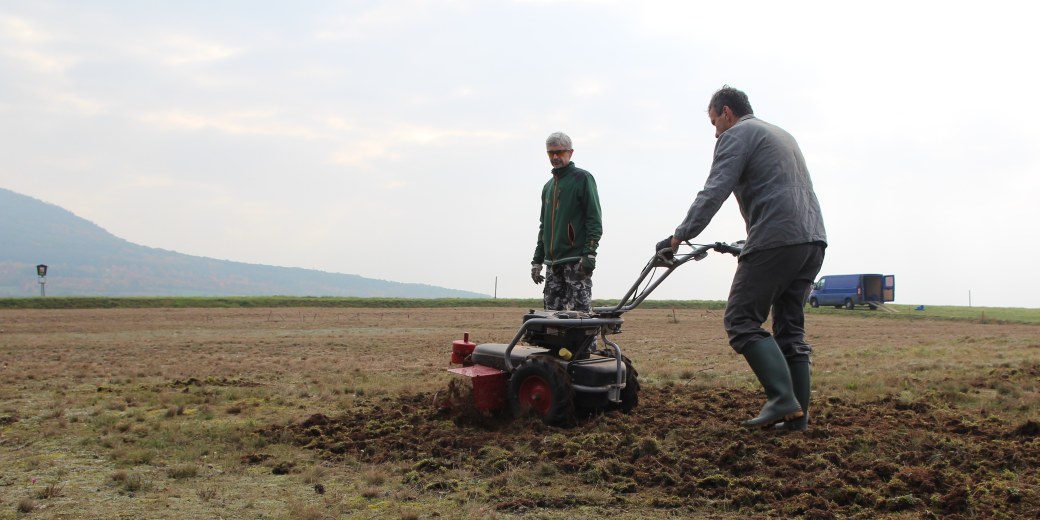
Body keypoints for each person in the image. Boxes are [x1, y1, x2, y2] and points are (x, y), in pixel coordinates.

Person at [658, 86, 827, 431]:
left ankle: (781, 398)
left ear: (726, 112)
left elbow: (715, 189)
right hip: (811, 239)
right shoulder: (780, 134)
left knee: (741, 320)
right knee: (790, 330)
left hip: (776, 239)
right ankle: (797, 419)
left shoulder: (737, 135)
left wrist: (679, 236)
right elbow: (779, 190)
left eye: (714, 123)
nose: (715, 132)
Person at [531, 132, 602, 313]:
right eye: (551, 153)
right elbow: (544, 227)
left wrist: (590, 254)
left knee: (579, 316)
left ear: (570, 152)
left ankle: (586, 343)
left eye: (559, 152)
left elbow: (594, 219)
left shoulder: (583, 179)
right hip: (552, 264)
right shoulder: (548, 187)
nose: (555, 157)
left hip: (576, 261)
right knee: (551, 319)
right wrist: (537, 261)